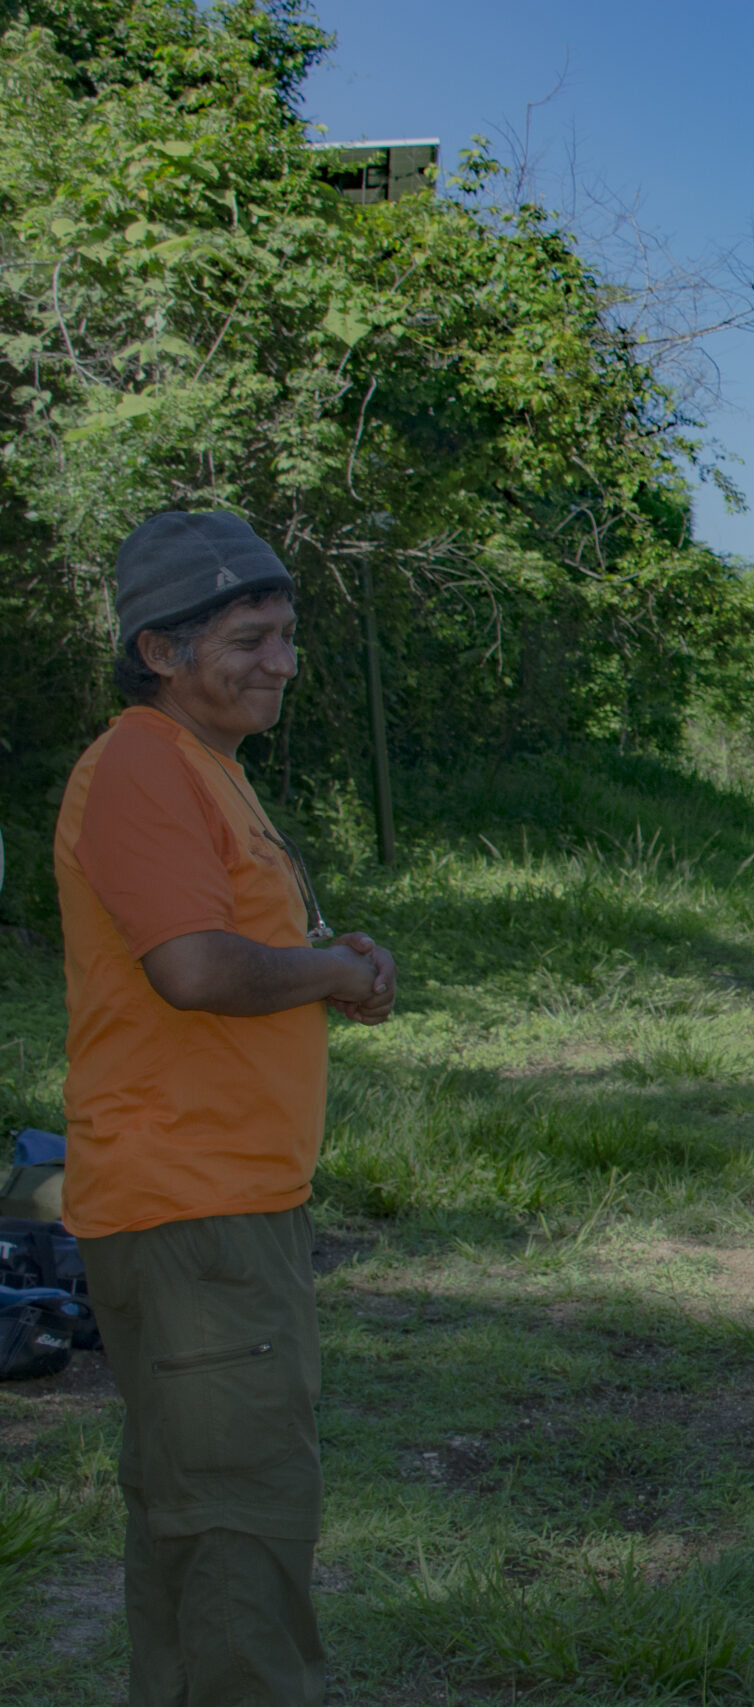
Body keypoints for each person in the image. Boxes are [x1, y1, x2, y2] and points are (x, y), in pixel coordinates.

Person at [54, 511, 399, 1707]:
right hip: (191, 1209)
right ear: (159, 649)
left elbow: (230, 948)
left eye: (289, 636)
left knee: (197, 1531)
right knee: (240, 1532)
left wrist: (317, 956)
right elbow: (194, 972)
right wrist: (335, 973)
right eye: (251, 638)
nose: (282, 662)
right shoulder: (145, 759)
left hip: (219, 1202)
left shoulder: (207, 771)